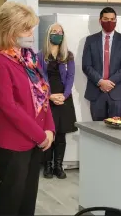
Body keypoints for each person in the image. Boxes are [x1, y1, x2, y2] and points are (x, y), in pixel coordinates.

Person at [0, 1, 55, 216]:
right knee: (11, 200)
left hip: (36, 139)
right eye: (26, 28)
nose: (31, 32)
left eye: (31, 27)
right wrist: (39, 135)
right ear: (10, 29)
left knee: (27, 199)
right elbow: (9, 107)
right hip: (14, 143)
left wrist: (49, 129)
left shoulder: (29, 57)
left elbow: (43, 96)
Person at [38, 23, 77, 179]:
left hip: (64, 99)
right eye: (54, 32)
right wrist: (50, 96)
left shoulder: (68, 55)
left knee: (61, 135)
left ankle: (58, 166)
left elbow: (70, 77)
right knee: (48, 134)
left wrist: (64, 95)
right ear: (48, 34)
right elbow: (38, 79)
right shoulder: (40, 56)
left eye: (60, 32)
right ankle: (47, 166)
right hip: (47, 99)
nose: (57, 34)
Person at [82, 7, 121, 121]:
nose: (109, 22)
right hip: (96, 92)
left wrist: (110, 82)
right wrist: (101, 82)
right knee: (97, 130)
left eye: (112, 19)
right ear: (100, 21)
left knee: (117, 131)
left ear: (116, 21)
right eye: (106, 19)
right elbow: (86, 66)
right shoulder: (90, 40)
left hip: (117, 93)